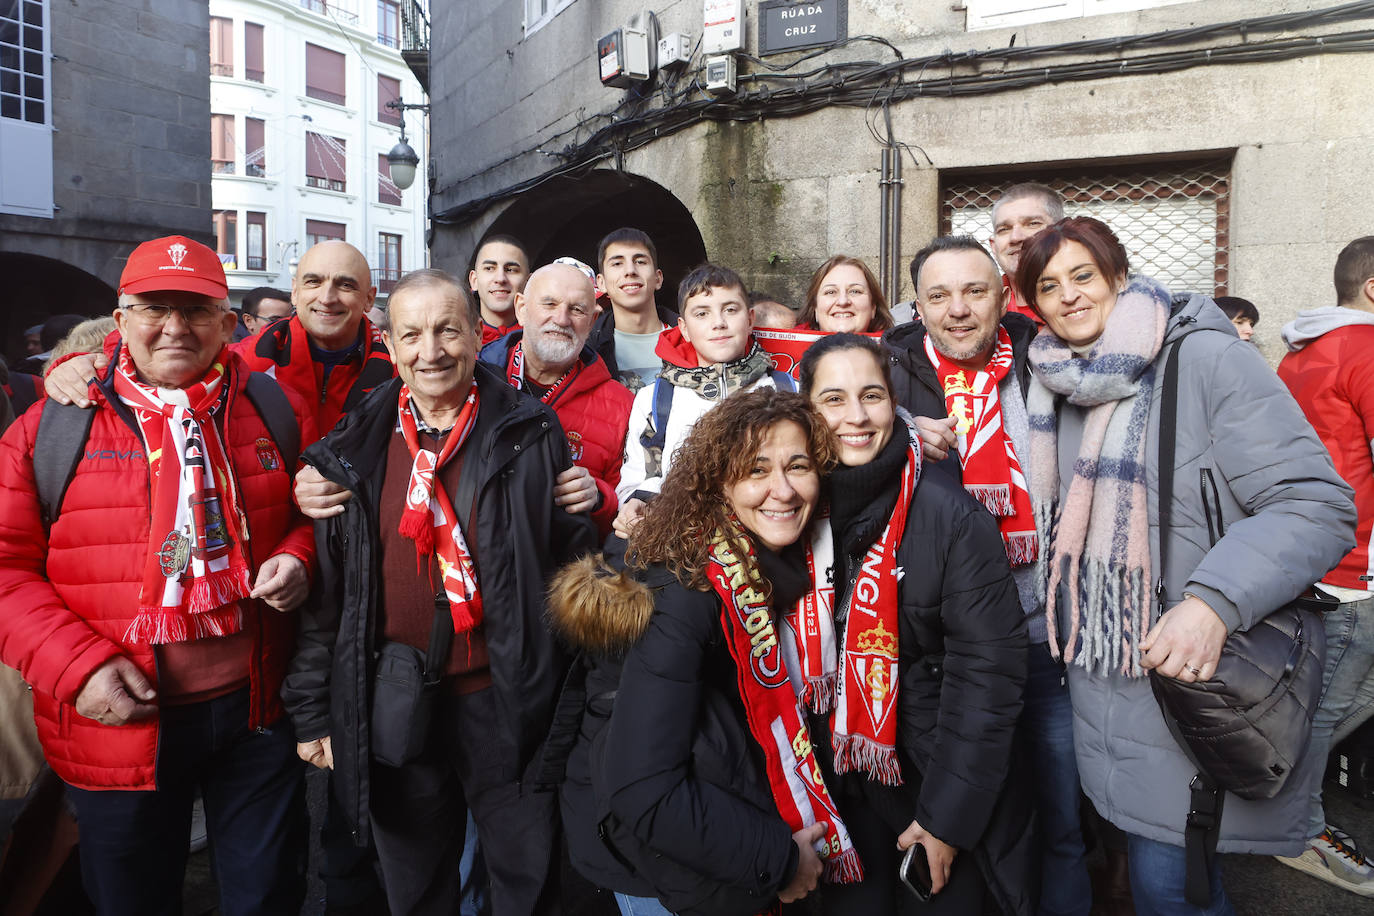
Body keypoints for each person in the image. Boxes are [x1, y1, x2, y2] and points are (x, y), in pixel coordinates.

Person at [1015, 216, 1356, 914]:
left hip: (1190, 670)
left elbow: (1317, 504)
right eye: (1048, 286)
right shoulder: (1056, 383)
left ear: (1118, 274)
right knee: (1160, 880)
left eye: (1083, 275)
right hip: (1107, 680)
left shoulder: (1205, 359)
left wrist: (1212, 602)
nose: (1069, 296)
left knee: (1173, 887)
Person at [0, 235, 317, 915]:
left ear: (228, 325)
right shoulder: (50, 426)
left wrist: (299, 555)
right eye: (153, 308)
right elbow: (5, 571)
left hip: (257, 711)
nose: (174, 327)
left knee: (266, 897)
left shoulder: (272, 407)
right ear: (121, 321)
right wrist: (78, 669)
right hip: (114, 721)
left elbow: (313, 512)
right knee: (131, 901)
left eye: (196, 310)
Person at [281, 268, 597, 916]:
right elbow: (330, 594)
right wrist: (313, 710)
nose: (431, 351)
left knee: (526, 884)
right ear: (390, 346)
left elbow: (575, 576)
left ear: (476, 334)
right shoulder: (354, 446)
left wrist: (571, 706)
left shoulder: (531, 434)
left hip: (509, 706)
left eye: (448, 330)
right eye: (413, 335)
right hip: (395, 698)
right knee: (415, 886)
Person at [885, 235, 1090, 915]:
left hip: (1046, 646)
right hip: (952, 662)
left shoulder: (1049, 362)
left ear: (1004, 294)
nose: (959, 309)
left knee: (1061, 824)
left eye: (975, 291)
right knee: (969, 829)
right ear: (918, 306)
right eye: (939, 295)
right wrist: (902, 430)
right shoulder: (889, 378)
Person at [796, 334, 1032, 915]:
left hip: (929, 786)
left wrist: (946, 822)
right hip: (827, 791)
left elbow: (988, 679)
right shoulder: (786, 508)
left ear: (894, 402)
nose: (856, 417)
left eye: (872, 395)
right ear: (805, 408)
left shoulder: (951, 516)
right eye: (834, 399)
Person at [593, 388, 842, 914]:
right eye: (756, 470)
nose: (782, 490)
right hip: (667, 871)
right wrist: (778, 860)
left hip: (719, 845)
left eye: (798, 466)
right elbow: (644, 789)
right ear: (717, 483)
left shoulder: (788, 567)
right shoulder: (686, 591)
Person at [45, 240, 394, 438]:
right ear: (296, 292)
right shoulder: (243, 362)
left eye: (345, 284)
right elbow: (158, 356)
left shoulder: (402, 372)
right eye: (314, 282)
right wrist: (81, 363)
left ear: (368, 298)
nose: (327, 297)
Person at [1275, 236, 1374, 896]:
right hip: (1355, 565)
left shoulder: (1298, 354)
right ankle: (1295, 828)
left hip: (1314, 555)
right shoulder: (1365, 348)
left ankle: (1277, 797)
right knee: (1327, 707)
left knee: (1320, 706)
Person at [614, 263, 796, 540]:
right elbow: (634, 480)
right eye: (702, 313)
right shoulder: (654, 399)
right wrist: (634, 506)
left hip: (767, 541)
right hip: (682, 545)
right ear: (684, 329)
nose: (718, 322)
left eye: (730, 310)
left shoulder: (787, 389)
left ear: (749, 320)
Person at [479, 260, 633, 538]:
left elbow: (627, 506)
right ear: (522, 309)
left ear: (592, 321)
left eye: (577, 309)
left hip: (567, 570)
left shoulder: (622, 404)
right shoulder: (477, 380)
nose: (562, 319)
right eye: (549, 304)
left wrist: (598, 497)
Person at [588, 227, 678, 391]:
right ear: (601, 283)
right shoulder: (588, 351)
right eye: (617, 263)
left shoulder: (691, 338)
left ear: (658, 278)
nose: (630, 271)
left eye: (640, 262)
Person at [989, 183, 1064, 325]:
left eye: (1032, 224)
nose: (1016, 237)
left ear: (1061, 232)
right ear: (993, 246)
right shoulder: (981, 309)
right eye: (1004, 229)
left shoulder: (1086, 302)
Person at [797, 255, 895, 334]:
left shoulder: (901, 355)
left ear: (873, 308)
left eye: (855, 291)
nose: (843, 301)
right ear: (815, 308)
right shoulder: (782, 355)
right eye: (831, 292)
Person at [468, 234, 531, 346]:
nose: (500, 279)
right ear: (474, 280)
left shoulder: (543, 337)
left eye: (511, 270)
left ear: (528, 282)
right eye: (489, 268)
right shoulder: (458, 337)